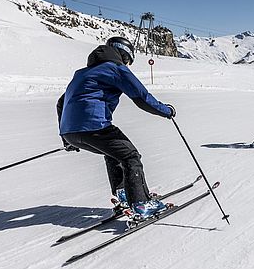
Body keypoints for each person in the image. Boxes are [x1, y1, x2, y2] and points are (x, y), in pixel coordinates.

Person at [56, 36, 175, 220]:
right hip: (94, 126)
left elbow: (61, 103)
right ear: (124, 54)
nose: (127, 64)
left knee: (114, 153)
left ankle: (125, 195)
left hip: (71, 132)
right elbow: (141, 97)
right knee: (130, 156)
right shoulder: (115, 68)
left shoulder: (82, 73)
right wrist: (165, 110)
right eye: (128, 60)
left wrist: (67, 138)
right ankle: (140, 204)